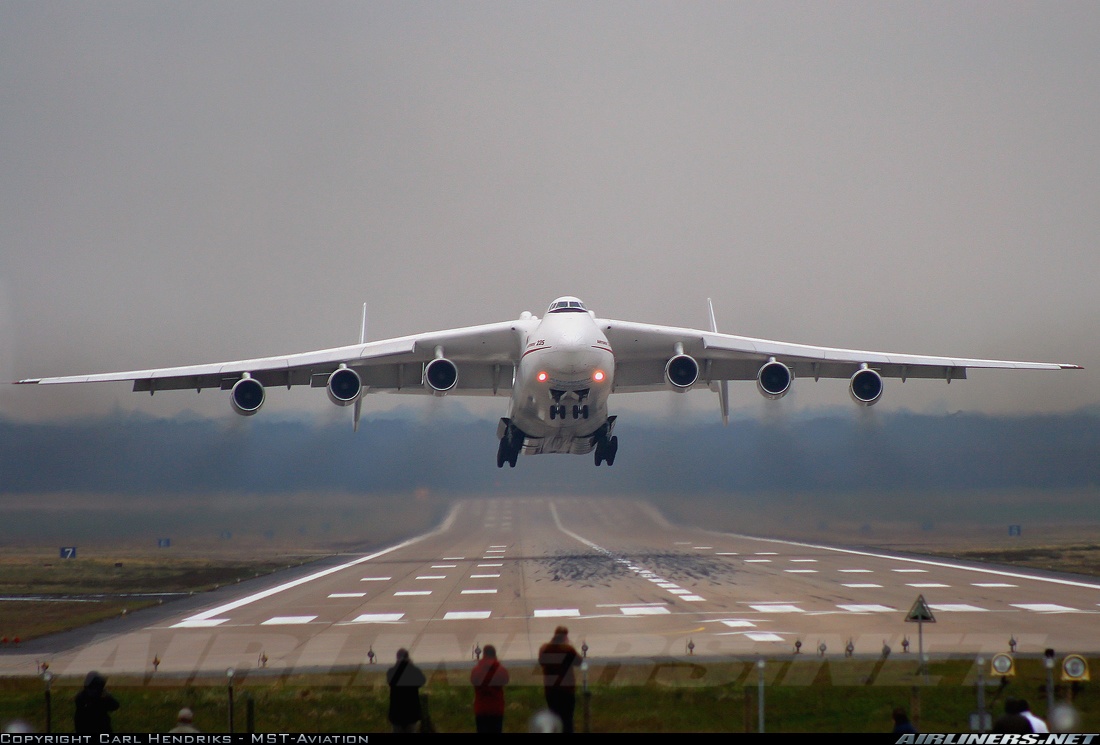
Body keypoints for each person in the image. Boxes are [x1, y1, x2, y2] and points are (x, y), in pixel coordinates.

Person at [538, 626, 582, 733]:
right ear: (565, 636)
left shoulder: (545, 649)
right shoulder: (568, 649)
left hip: (551, 689)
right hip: (566, 689)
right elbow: (579, 662)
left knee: (554, 717)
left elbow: (541, 662)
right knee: (567, 719)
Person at [470, 644, 510, 733]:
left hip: (481, 709)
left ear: (484, 654)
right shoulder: (501, 670)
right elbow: (506, 680)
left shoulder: (476, 670)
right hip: (497, 709)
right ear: (494, 654)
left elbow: (473, 681)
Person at [386, 648, 427, 733]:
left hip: (396, 712)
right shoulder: (413, 671)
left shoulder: (391, 671)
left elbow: (390, 681)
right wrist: (410, 665)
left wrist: (399, 665)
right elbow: (422, 681)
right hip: (411, 712)